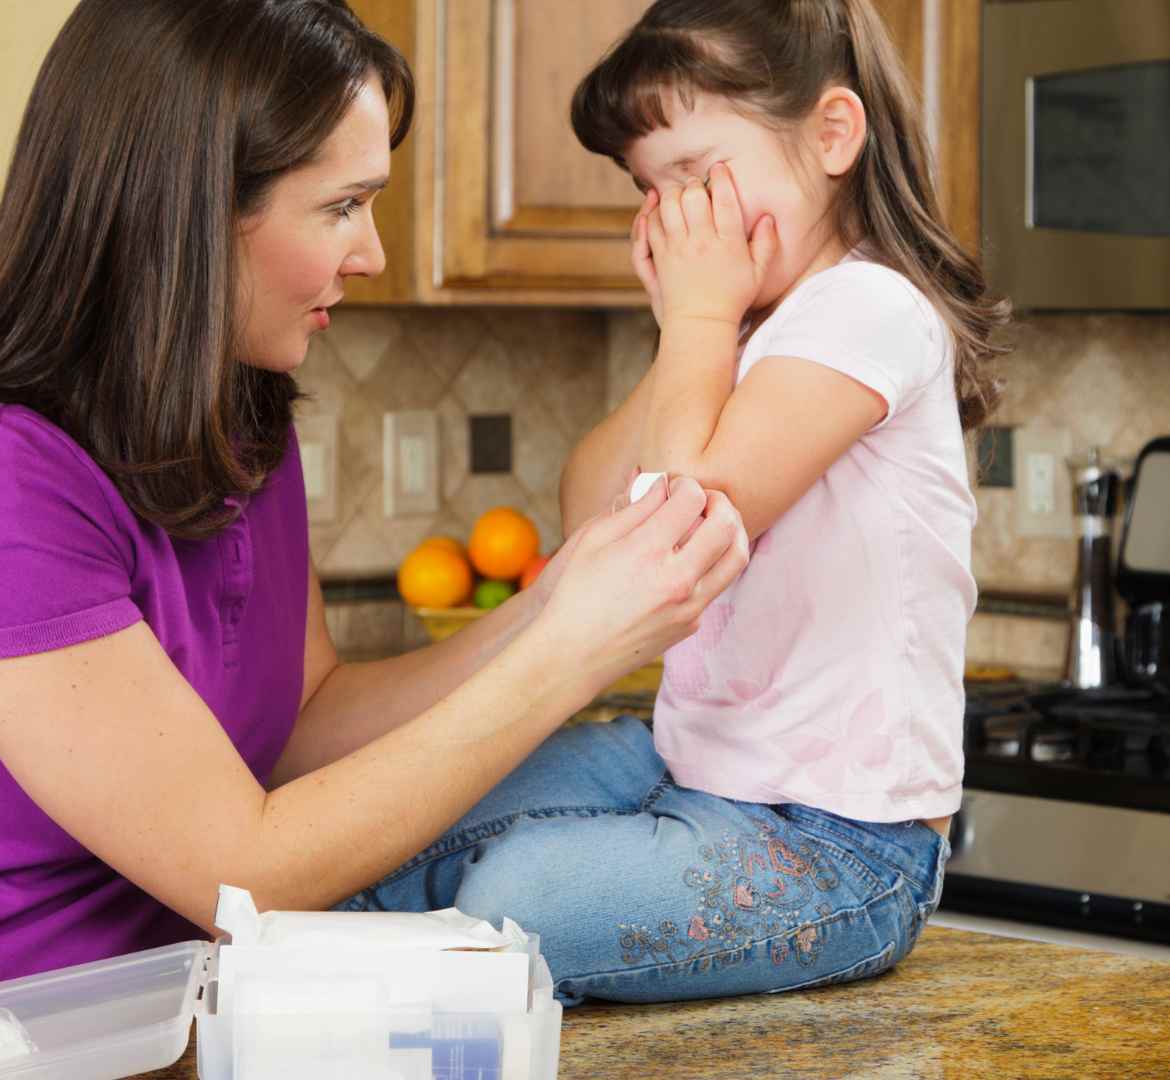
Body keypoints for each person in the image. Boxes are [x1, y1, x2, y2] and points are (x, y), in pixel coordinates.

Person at [0, 0, 748, 1043]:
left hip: (119, 1049)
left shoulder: (238, 425)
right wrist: (572, 654)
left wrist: (560, 598)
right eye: (343, 206)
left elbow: (302, 730)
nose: (371, 254)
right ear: (197, 209)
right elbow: (241, 873)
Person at [336, 0, 1008, 1004]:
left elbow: (676, 531)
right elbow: (594, 516)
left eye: (697, 175)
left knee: (516, 899)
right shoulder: (746, 327)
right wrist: (692, 327)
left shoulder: (870, 311)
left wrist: (700, 315)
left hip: (843, 847)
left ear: (832, 135)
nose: (673, 214)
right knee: (390, 826)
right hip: (688, 768)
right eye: (652, 189)